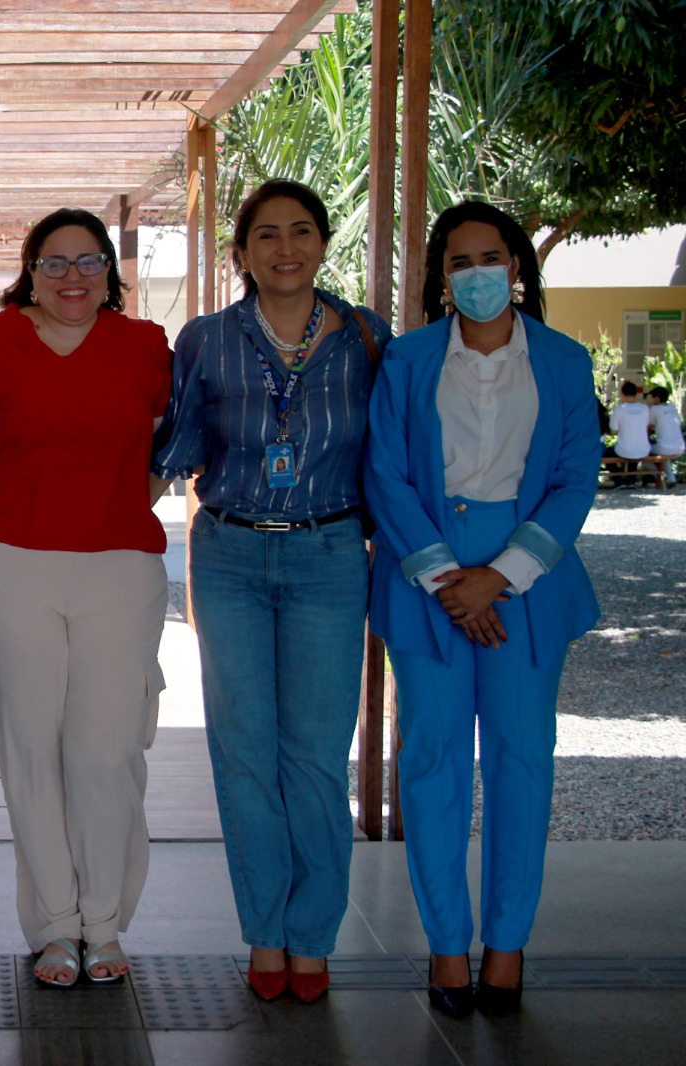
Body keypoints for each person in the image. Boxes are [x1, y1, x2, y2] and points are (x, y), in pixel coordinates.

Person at [151, 179, 389, 1005]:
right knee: (244, 752)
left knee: (315, 758)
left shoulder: (365, 337)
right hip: (230, 555)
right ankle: (265, 930)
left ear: (322, 243)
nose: (285, 248)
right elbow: (175, 448)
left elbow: (394, 452)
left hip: (330, 554)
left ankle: (312, 935)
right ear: (242, 253)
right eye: (266, 236)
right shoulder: (208, 339)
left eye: (301, 232)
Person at [365, 200, 600, 1018]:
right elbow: (386, 473)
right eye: (459, 262)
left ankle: (506, 947)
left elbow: (576, 478)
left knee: (521, 761)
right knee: (430, 762)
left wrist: (497, 577)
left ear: (518, 267)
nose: (477, 275)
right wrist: (447, 580)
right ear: (440, 279)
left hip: (526, 579)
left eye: (490, 258)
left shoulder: (565, 361)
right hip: (425, 574)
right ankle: (445, 947)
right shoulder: (408, 359)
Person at [0, 208, 172, 988]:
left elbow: (177, 435)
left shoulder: (146, 347)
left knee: (106, 753)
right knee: (30, 752)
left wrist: (132, 492)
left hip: (120, 568)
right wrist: (19, 481)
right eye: (55, 263)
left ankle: (102, 925)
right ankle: (55, 926)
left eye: (88, 262)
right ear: (31, 272)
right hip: (13, 566)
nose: (72, 277)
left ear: (110, 272)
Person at [608, 382, 652, 487]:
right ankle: (631, 480)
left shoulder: (619, 409)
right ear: (636, 394)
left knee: (608, 453)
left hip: (624, 450)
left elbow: (613, 431)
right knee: (634, 446)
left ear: (622, 394)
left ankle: (618, 479)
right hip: (643, 450)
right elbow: (646, 425)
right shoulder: (644, 408)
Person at [647, 386, 682, 487]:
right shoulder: (672, 407)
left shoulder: (654, 409)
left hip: (664, 447)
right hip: (679, 447)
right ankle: (671, 479)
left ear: (657, 399)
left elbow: (649, 425)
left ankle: (663, 476)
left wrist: (649, 407)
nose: (649, 401)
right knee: (663, 456)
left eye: (650, 398)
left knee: (642, 454)